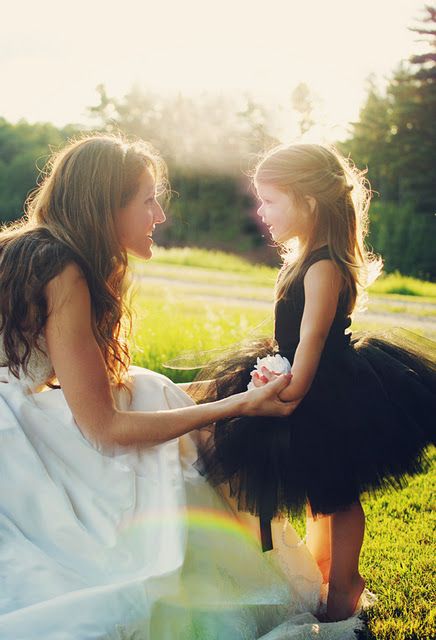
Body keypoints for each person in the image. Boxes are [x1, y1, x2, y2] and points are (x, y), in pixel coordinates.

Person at [0, 134, 370, 639]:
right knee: (147, 426)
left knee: (146, 388)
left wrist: (221, 399)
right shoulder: (60, 268)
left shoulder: (53, 254)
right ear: (105, 207)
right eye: (147, 200)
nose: (160, 215)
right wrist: (237, 404)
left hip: (18, 410)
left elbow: (84, 385)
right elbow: (105, 429)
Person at [193, 142, 436, 623]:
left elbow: (312, 339)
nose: (260, 211)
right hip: (304, 383)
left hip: (330, 394)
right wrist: (270, 368)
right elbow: (290, 334)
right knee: (315, 488)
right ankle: (322, 567)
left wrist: (291, 386)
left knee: (338, 492)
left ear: (307, 201)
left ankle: (344, 580)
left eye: (270, 200)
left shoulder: (325, 266)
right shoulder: (302, 259)